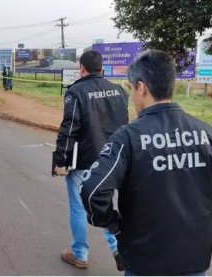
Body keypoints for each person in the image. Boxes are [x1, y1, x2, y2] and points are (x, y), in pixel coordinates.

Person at [80, 50, 212, 276]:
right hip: (195, 261)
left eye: (131, 88)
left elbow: (92, 190)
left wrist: (114, 224)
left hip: (144, 262)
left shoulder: (128, 138)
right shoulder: (206, 133)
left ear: (141, 87)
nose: (132, 96)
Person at [53, 50, 128, 271]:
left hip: (84, 161)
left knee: (78, 207)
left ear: (82, 69)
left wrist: (60, 161)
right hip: (114, 161)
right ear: (102, 69)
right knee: (106, 204)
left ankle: (80, 255)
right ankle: (119, 248)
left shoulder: (75, 92)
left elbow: (69, 130)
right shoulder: (119, 91)